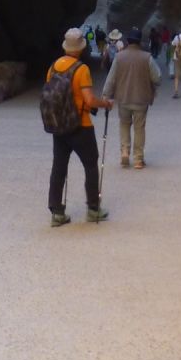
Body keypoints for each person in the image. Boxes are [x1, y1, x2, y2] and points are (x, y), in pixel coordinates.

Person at [46, 28, 113, 226]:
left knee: (59, 167)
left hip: (59, 125)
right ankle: (93, 209)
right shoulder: (81, 69)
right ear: (81, 48)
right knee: (91, 165)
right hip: (80, 125)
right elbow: (89, 100)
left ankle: (56, 213)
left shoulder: (53, 67)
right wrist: (105, 103)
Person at [103, 26, 162, 170]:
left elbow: (111, 79)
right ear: (140, 41)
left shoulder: (119, 57)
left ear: (128, 41)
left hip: (123, 98)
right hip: (141, 99)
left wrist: (106, 95)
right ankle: (138, 159)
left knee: (124, 124)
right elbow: (157, 77)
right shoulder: (147, 57)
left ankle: (124, 151)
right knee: (139, 128)